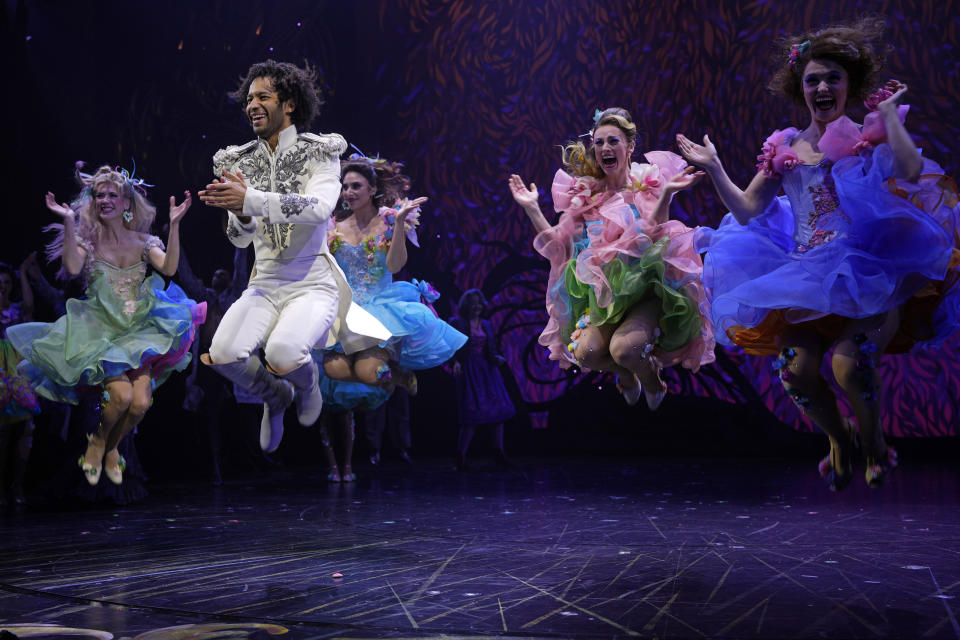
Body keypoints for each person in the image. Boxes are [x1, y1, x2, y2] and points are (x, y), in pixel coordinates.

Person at [677, 17, 960, 490]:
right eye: (813, 80)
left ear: (850, 84)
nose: (823, 87)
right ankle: (839, 438)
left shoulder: (866, 134)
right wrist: (715, 167)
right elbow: (748, 210)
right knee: (795, 372)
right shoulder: (786, 145)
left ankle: (874, 443)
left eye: (833, 78)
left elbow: (911, 170)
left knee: (850, 364)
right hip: (807, 272)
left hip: (868, 268)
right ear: (799, 88)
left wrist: (890, 118)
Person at [197, 60, 389, 453]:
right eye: (249, 98)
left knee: (283, 353)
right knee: (222, 354)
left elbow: (319, 208)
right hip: (264, 282)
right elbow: (239, 240)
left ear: (288, 104)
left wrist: (250, 198)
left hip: (311, 282)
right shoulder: (238, 161)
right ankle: (275, 396)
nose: (252, 105)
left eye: (262, 96)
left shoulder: (319, 153)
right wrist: (241, 213)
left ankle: (307, 384)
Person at [8, 164, 204, 487]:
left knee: (140, 402)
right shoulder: (89, 242)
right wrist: (69, 221)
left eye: (113, 195)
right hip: (101, 333)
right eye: (100, 195)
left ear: (127, 203)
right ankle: (97, 442)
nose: (105, 200)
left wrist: (174, 226)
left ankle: (111, 447)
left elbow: (168, 268)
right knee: (121, 396)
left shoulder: (144, 241)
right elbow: (71, 266)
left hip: (138, 330)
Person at [509, 107, 715, 409]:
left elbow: (651, 236)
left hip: (645, 293)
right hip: (604, 299)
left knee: (626, 350)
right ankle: (625, 377)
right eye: (599, 141)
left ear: (630, 147)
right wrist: (531, 208)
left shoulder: (648, 186)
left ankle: (651, 379)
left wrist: (667, 194)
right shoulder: (586, 195)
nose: (605, 148)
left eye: (613, 141)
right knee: (585, 353)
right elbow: (556, 246)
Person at [322, 155, 465, 391]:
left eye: (356, 186)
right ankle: (391, 374)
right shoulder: (333, 226)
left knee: (367, 374)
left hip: (379, 308)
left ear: (373, 189)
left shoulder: (387, 222)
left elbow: (395, 266)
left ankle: (399, 376)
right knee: (333, 370)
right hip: (345, 311)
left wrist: (398, 225)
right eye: (345, 187)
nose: (349, 192)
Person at [449, 289, 515, 471]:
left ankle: (498, 452)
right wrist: (454, 362)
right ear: (466, 305)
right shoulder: (457, 323)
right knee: (471, 415)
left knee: (498, 413)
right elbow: (449, 346)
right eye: (473, 303)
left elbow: (490, 350)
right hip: (469, 369)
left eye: (479, 303)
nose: (477, 306)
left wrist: (497, 359)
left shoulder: (486, 324)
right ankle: (461, 456)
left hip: (487, 370)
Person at [0, 258, 40, 505]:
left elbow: (28, 307)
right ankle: (1, 488)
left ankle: (17, 485)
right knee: (2, 434)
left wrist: (23, 273)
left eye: (6, 282)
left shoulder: (15, 311)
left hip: (17, 373)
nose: (2, 287)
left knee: (27, 430)